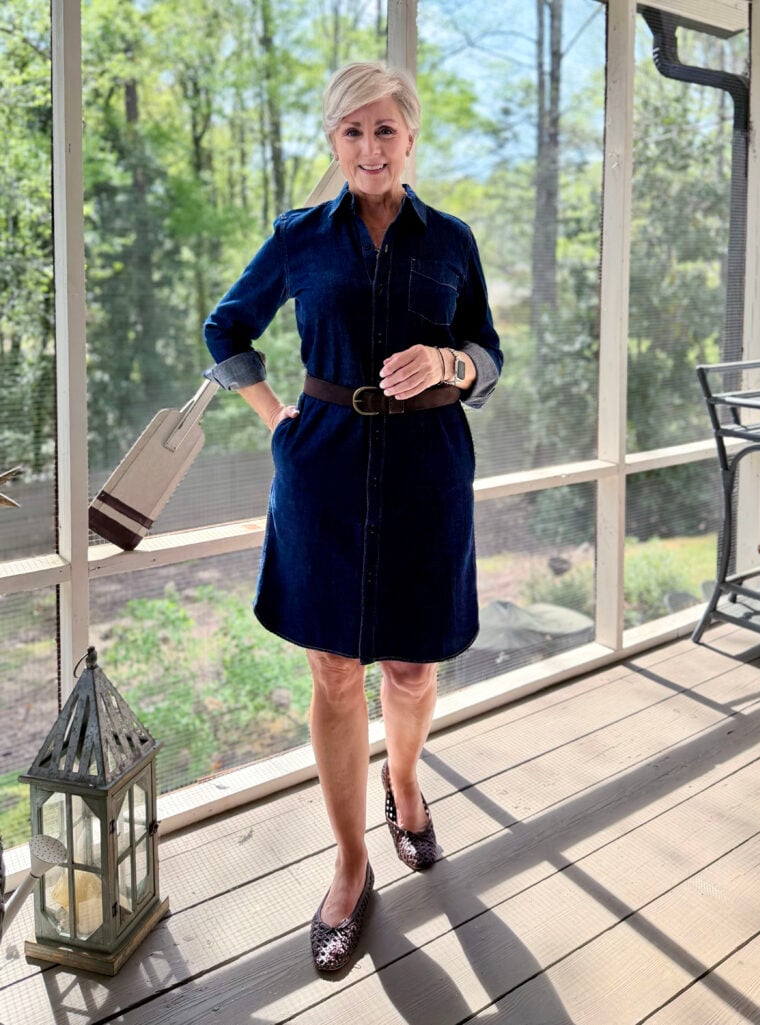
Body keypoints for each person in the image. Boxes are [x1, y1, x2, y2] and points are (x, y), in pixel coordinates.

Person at [203, 61, 503, 972]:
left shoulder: (450, 239)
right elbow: (228, 330)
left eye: (384, 131)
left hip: (426, 469)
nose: (369, 149)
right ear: (334, 143)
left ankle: (404, 785)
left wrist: (450, 367)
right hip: (322, 470)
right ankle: (348, 865)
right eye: (351, 133)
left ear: (410, 138)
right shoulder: (299, 237)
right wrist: (279, 420)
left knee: (409, 669)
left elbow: (487, 353)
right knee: (334, 670)